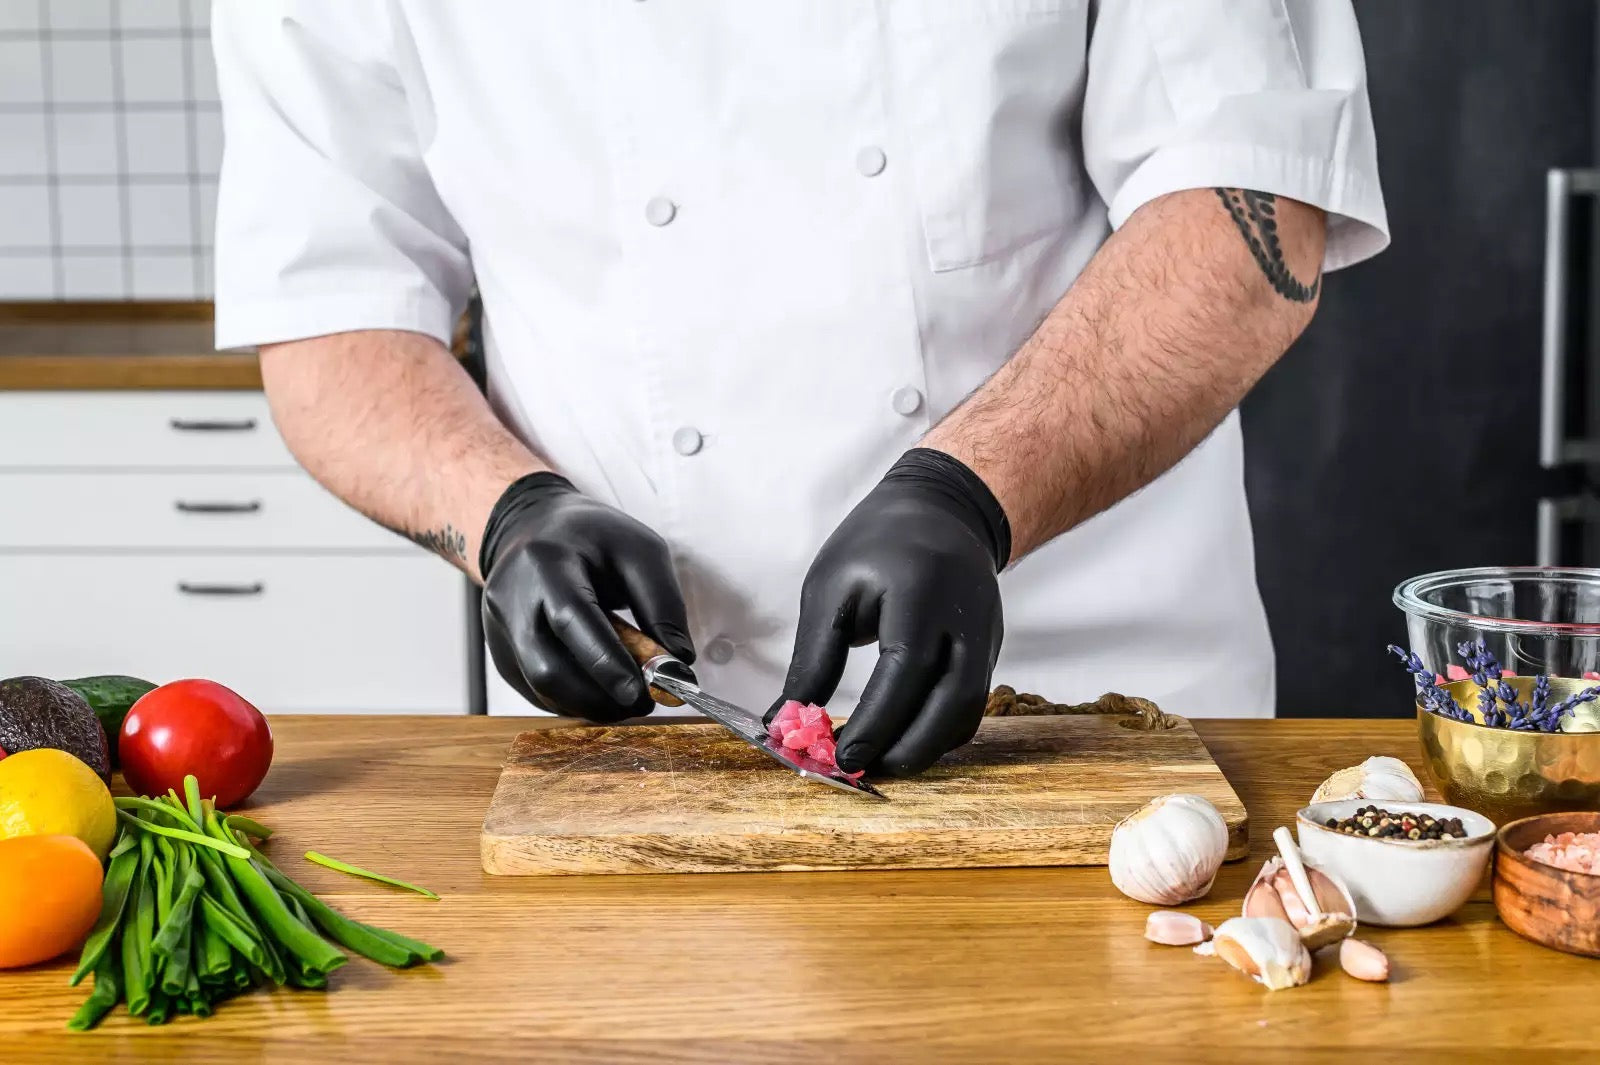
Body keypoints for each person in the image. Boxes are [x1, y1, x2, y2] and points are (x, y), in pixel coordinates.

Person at [211, 2, 1387, 777]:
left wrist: (968, 494)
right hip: (645, 735)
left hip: (1096, 697)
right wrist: (505, 512)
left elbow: (1249, 209)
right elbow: (331, 312)